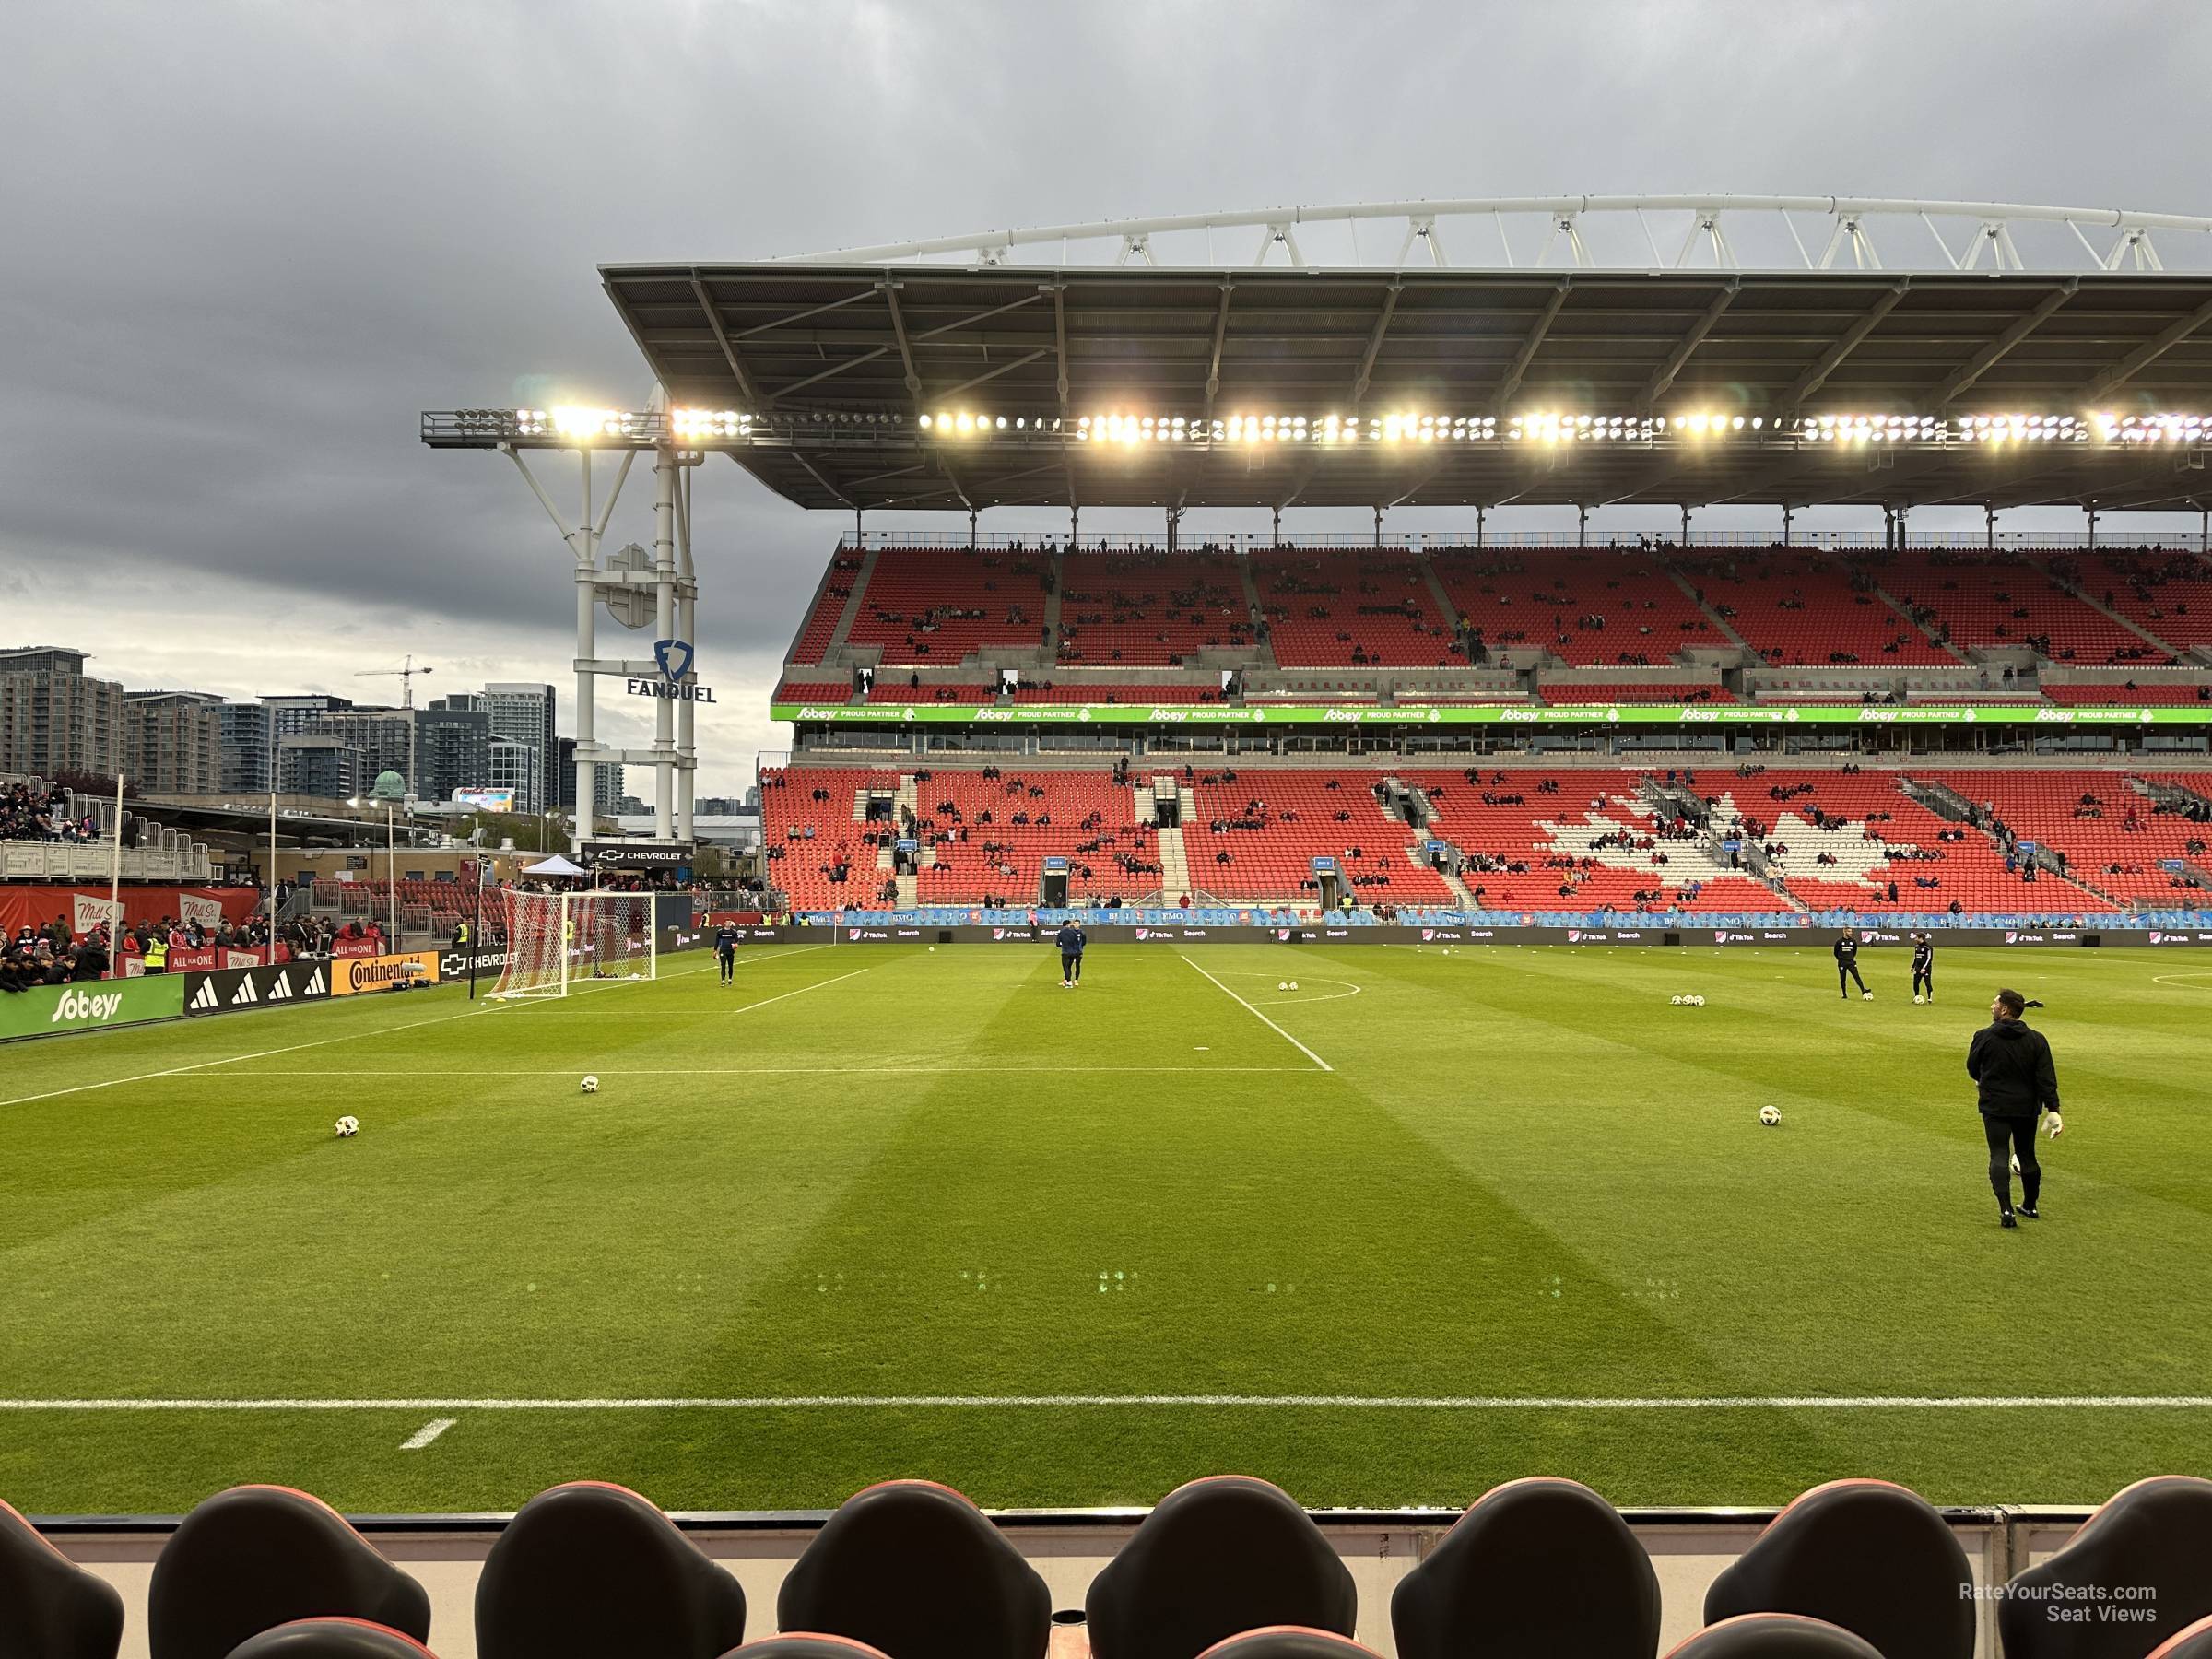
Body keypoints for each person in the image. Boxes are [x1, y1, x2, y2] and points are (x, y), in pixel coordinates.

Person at [1968, 988, 2063, 1228]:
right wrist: (2053, 1109)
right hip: (2026, 1107)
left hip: (1995, 1105)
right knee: (2027, 1154)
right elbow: (2046, 1078)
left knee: (1999, 1153)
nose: (1991, 1006)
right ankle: (2030, 1205)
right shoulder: (2037, 1039)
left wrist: (1983, 1080)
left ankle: (2006, 1210)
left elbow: (1972, 1067)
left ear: (2005, 1009)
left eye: (1995, 1003)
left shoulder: (1984, 1036)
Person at [1833, 930, 1867, 999]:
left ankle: (1863, 990)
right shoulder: (1839, 942)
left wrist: (1850, 958)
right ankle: (1844, 994)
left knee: (1857, 976)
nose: (1851, 933)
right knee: (1843, 979)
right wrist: (1840, 959)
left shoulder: (1853, 941)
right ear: (1845, 932)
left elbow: (1854, 951)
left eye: (1851, 931)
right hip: (1842, 963)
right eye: (1849, 931)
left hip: (1851, 962)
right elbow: (1835, 952)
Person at [1054, 919, 1087, 988]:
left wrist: (1062, 946)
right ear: (1068, 925)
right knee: (1069, 967)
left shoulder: (1061, 933)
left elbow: (1057, 944)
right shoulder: (1073, 932)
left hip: (1065, 952)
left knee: (1066, 967)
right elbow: (1077, 943)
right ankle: (1067, 981)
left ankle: (1069, 982)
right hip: (1073, 952)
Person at [1911, 932, 1935, 1003]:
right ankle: (1916, 997)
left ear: (1921, 938)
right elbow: (1916, 958)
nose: (1915, 939)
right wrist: (1913, 966)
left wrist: (1924, 968)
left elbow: (1929, 959)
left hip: (1926, 969)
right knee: (1915, 983)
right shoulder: (1916, 947)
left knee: (1927, 983)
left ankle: (1929, 998)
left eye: (1916, 938)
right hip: (1918, 968)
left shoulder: (1928, 948)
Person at [715, 921, 740, 985]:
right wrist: (715, 950)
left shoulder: (733, 932)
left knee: (730, 966)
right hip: (723, 950)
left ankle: (730, 979)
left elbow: (737, 941)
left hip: (730, 950)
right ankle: (723, 981)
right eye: (727, 922)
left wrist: (736, 945)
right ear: (724, 923)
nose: (728, 924)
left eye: (729, 923)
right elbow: (717, 941)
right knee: (723, 966)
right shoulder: (720, 932)